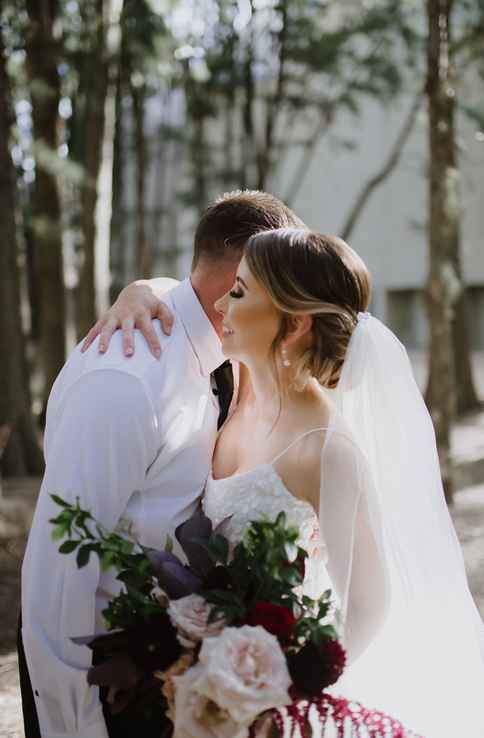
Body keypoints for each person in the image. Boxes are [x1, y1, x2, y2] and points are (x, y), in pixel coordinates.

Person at [89, 227, 484, 738]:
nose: (221, 303)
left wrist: (283, 698)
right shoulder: (235, 386)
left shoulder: (326, 450)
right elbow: (183, 291)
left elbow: (369, 605)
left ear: (293, 323)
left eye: (239, 291)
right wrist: (137, 289)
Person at [19, 190, 305, 738]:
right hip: (104, 678)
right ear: (236, 285)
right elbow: (56, 578)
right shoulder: (125, 381)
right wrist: (74, 726)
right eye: (284, 287)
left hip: (182, 670)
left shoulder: (226, 347)